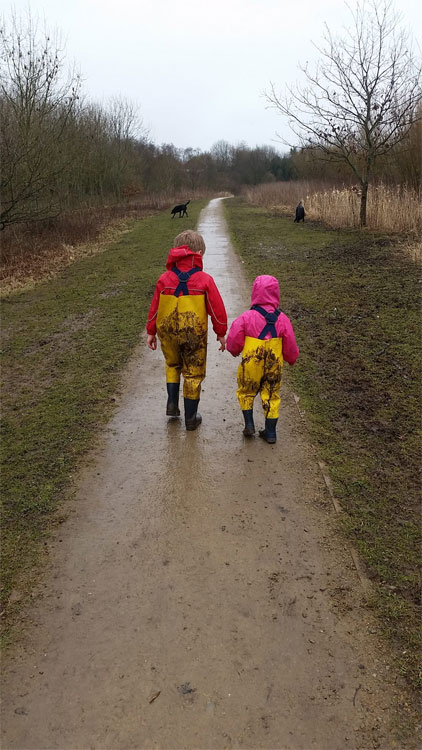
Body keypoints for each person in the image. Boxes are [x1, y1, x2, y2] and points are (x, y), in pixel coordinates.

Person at [146, 229, 227, 430]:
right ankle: (191, 418)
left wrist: (151, 331)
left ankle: (172, 404)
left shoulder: (164, 279)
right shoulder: (204, 280)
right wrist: (221, 332)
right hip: (194, 333)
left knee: (172, 364)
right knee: (193, 372)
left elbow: (155, 308)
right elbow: (216, 309)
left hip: (168, 332)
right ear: (199, 254)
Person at [226, 275, 299, 443]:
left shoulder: (247, 317)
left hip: (252, 361)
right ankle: (271, 432)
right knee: (272, 394)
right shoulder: (282, 319)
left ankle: (249, 424)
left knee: (246, 391)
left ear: (255, 293)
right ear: (276, 294)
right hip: (274, 363)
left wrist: (234, 350)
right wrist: (291, 358)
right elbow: (290, 344)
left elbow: (234, 336)